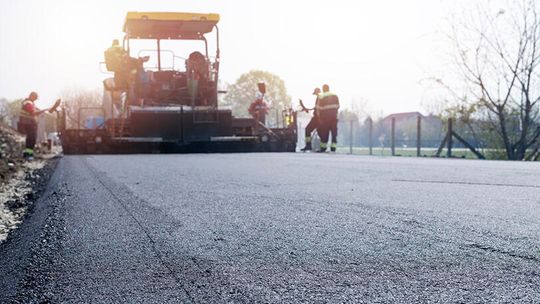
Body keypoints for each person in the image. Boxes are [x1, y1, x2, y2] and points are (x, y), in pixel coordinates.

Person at [18, 92, 60, 159]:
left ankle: (28, 154)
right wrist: (44, 110)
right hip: (28, 124)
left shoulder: (30, 103)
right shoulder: (28, 103)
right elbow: (33, 113)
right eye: (35, 98)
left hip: (29, 124)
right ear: (32, 96)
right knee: (31, 139)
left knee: (31, 139)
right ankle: (28, 155)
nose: (35, 99)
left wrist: (48, 109)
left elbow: (36, 110)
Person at [316, 84, 340, 152]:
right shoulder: (335, 95)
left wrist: (320, 118)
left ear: (323, 89)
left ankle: (323, 147)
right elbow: (338, 106)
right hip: (334, 118)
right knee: (334, 133)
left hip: (325, 118)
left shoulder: (321, 97)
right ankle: (333, 148)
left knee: (324, 133)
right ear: (329, 88)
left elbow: (318, 109)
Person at [300, 87, 321, 151]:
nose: (315, 94)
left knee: (308, 129)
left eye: (315, 93)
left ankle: (308, 145)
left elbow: (317, 109)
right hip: (320, 118)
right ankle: (322, 147)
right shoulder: (320, 98)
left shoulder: (319, 98)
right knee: (320, 132)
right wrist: (307, 109)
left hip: (317, 118)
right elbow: (315, 108)